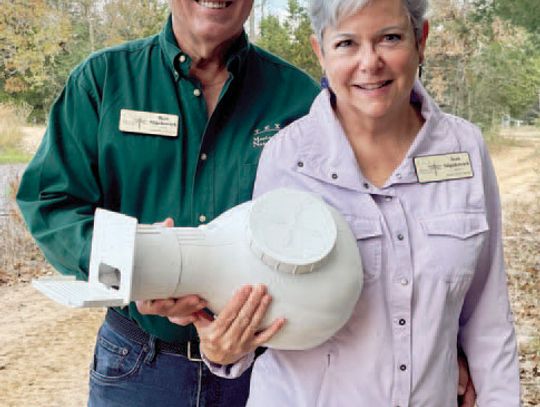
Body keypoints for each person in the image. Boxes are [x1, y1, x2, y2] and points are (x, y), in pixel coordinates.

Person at [192, 0, 521, 405]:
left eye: (390, 38)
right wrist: (223, 349)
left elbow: (488, 319)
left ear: (421, 40)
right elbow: (259, 307)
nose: (370, 62)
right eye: (347, 43)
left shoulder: (465, 150)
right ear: (320, 52)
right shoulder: (287, 158)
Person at [16, 1, 320, 405]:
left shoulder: (300, 100)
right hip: (139, 367)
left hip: (266, 371)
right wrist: (135, 265)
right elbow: (51, 200)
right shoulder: (103, 81)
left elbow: (329, 224)